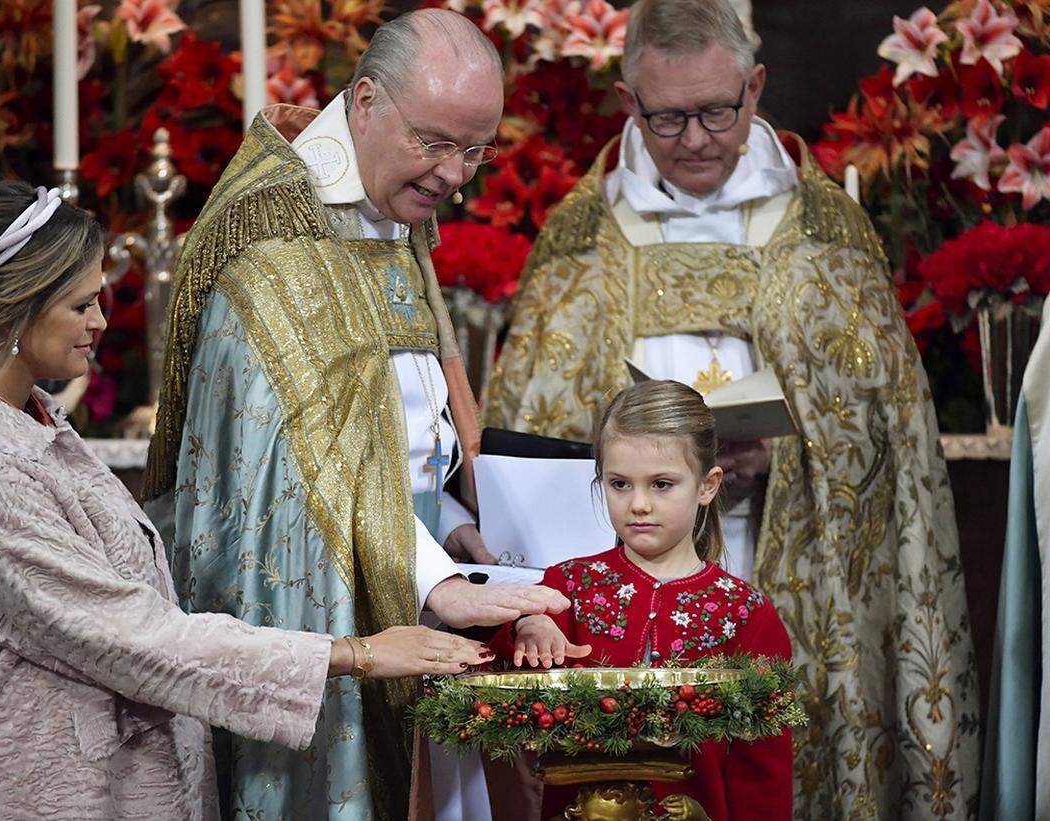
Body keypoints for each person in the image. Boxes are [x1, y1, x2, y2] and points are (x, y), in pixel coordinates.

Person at [483, 0, 980, 816]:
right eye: (667, 117)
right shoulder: (580, 242)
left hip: (789, 560)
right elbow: (533, 427)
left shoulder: (827, 232)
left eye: (718, 110)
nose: (695, 137)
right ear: (626, 103)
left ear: (755, 88)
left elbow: (885, 427)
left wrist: (793, 449)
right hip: (630, 564)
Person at [0, 174, 494, 820]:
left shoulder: (30, 426)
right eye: (80, 305)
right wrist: (355, 653)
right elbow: (130, 636)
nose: (99, 322)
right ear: (19, 310)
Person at [143, 9, 567, 820]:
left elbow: (396, 430)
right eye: (437, 143)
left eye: (477, 151)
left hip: (419, 594)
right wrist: (435, 580)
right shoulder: (278, 238)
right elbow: (301, 476)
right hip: (329, 621)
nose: (456, 176)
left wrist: (448, 524)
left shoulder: (391, 210)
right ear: (366, 102)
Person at [491, 379, 792, 820]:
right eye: (619, 484)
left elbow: (764, 772)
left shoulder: (745, 612)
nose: (638, 504)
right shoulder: (565, 588)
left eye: (662, 484)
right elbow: (493, 689)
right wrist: (524, 628)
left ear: (706, 486)